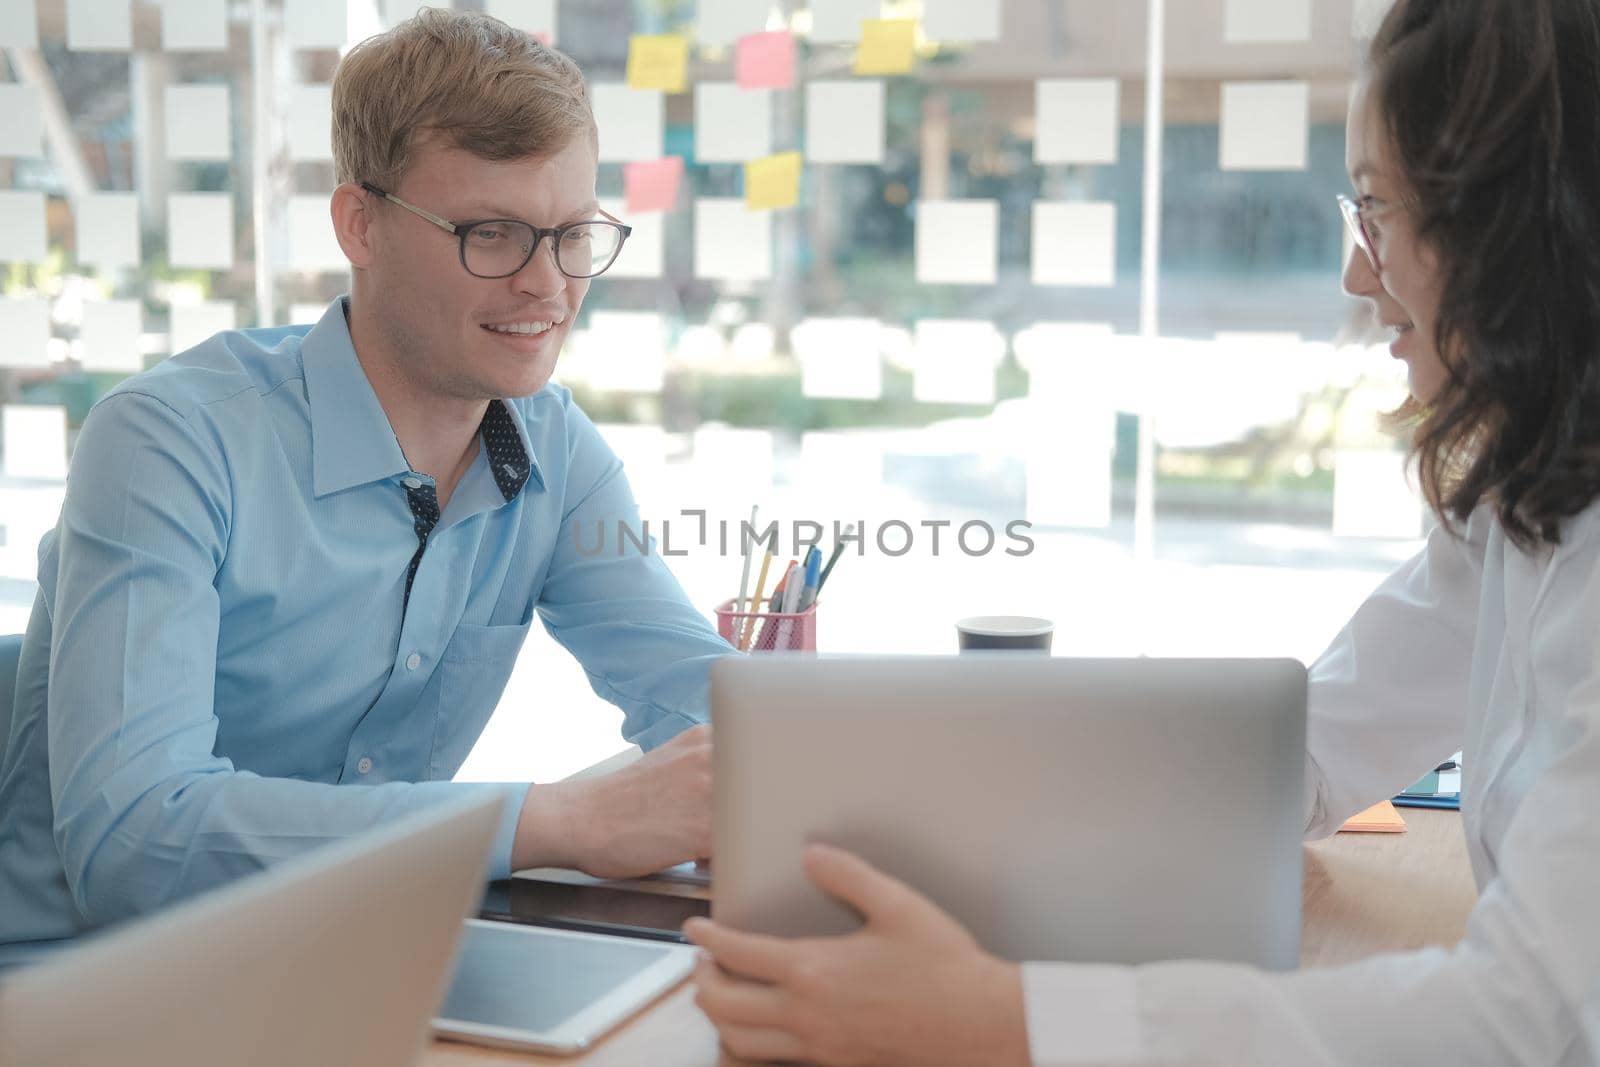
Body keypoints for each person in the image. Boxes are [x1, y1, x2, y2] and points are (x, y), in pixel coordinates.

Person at [687, 0, 1600, 1062]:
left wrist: (999, 1015)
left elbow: (1529, 1015)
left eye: (1377, 212)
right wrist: (1004, 815)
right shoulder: (1526, 491)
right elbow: (1307, 742)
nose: (1359, 273)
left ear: (1509, 224)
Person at [0, 9, 729, 963]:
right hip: (92, 991)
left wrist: (821, 760)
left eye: (571, 235)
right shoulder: (169, 441)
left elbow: (712, 709)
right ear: (360, 224)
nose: (547, 285)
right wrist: (558, 820)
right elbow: (134, 837)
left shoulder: (558, 452)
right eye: (493, 234)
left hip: (360, 960)